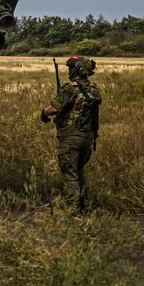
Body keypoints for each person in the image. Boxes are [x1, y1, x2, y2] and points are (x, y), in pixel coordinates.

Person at [39, 55, 102, 211]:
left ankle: (72, 209)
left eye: (71, 68)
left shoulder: (70, 89)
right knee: (79, 170)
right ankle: (84, 205)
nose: (69, 71)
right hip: (88, 137)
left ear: (78, 70)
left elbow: (54, 108)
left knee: (69, 173)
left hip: (71, 137)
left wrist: (43, 114)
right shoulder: (95, 90)